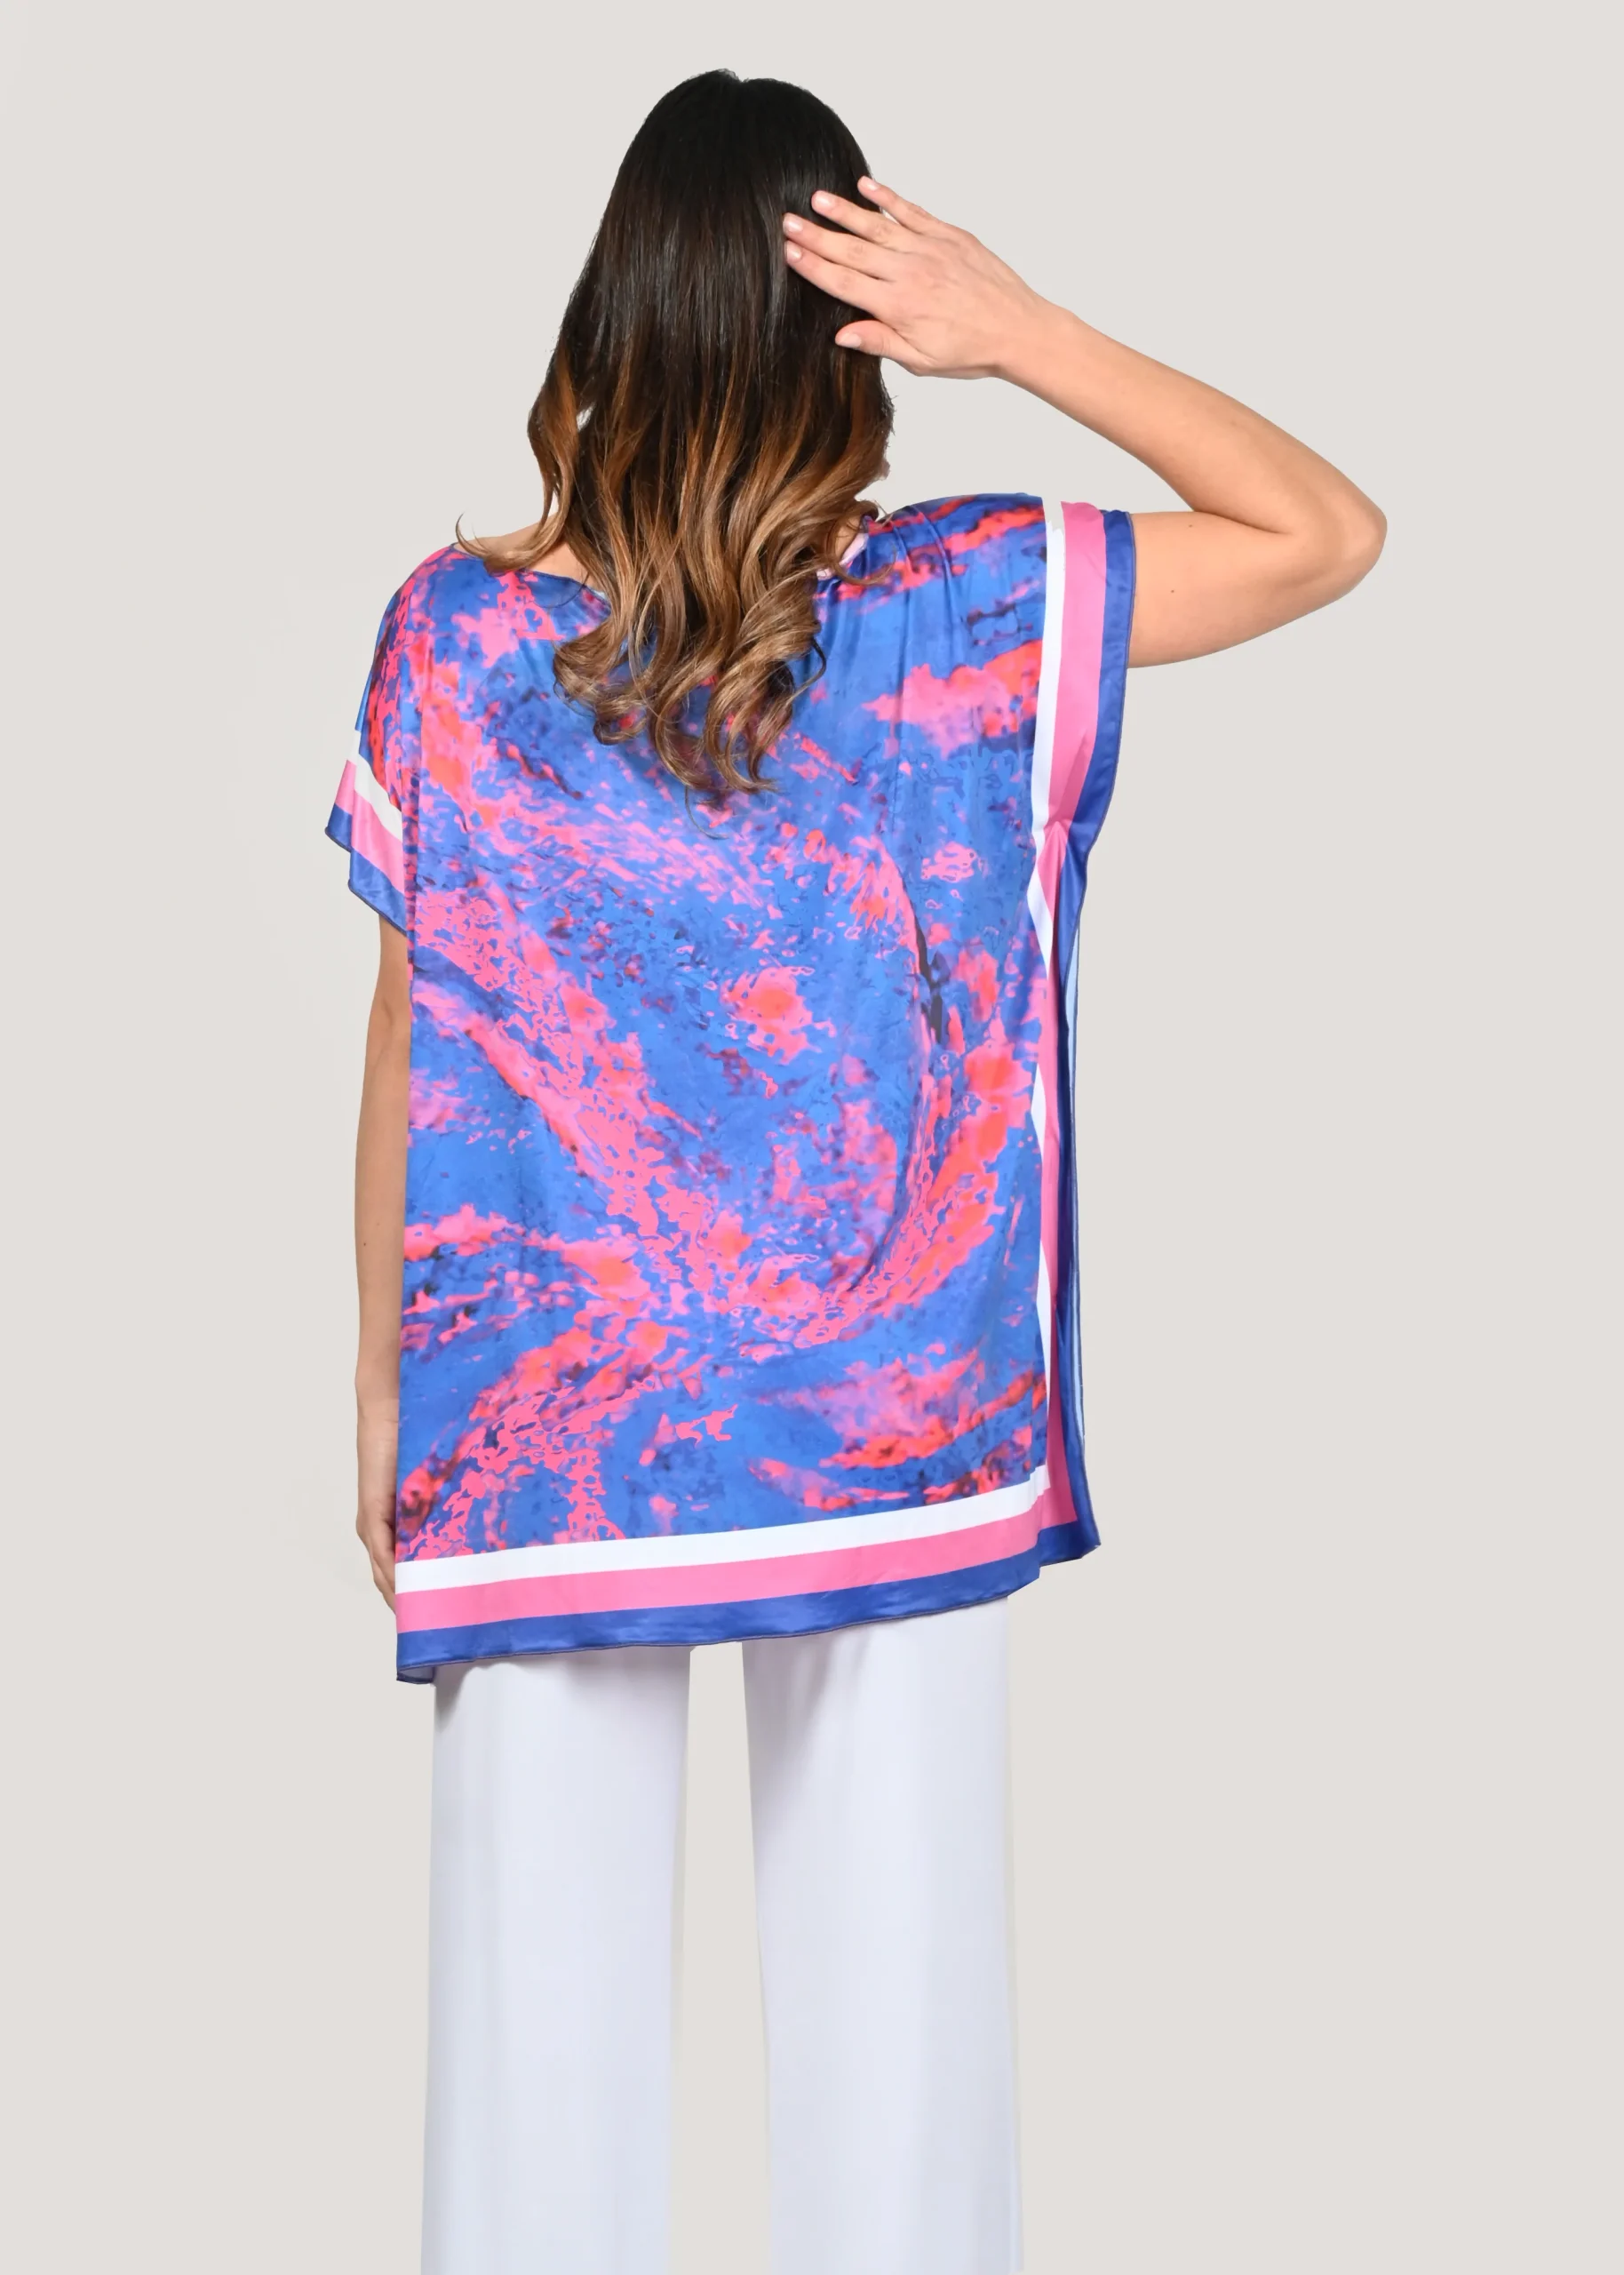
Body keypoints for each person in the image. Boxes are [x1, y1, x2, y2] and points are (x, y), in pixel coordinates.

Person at [328, 68, 1382, 2275]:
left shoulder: (456, 632)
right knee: (900, 2059)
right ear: (854, 341)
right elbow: (1315, 530)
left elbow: (414, 1021)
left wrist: (381, 1390)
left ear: (611, 308)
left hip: (545, 1427)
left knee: (532, 2055)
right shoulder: (967, 603)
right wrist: (1029, 329)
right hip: (890, 1419)